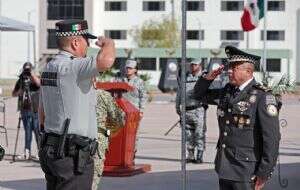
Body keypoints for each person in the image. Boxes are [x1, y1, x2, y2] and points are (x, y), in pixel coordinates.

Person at [38, 19, 115, 190]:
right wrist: (109, 42)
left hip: (52, 149)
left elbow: (41, 112)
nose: (88, 45)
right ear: (75, 42)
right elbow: (106, 60)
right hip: (72, 155)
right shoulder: (74, 66)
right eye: (86, 40)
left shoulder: (49, 67)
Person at [194, 46, 280, 190]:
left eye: (234, 67)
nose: (229, 71)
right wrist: (207, 79)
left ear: (248, 71)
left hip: (246, 170)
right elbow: (198, 96)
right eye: (229, 66)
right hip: (224, 166)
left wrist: (264, 172)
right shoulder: (227, 92)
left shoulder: (262, 96)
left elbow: (271, 138)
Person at [175, 59, 208, 164]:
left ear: (200, 66)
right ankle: (190, 155)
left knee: (199, 133)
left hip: (198, 110)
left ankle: (199, 155)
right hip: (186, 111)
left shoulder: (204, 78)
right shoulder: (185, 78)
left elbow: (209, 93)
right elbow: (180, 92)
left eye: (195, 65)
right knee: (188, 135)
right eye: (192, 65)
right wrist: (177, 107)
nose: (193, 67)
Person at [92, 89, 125, 190]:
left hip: (69, 141)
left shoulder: (71, 93)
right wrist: (109, 130)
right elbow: (119, 119)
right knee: (92, 179)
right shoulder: (102, 95)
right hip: (96, 142)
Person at [12, 62, 41, 159]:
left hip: (36, 109)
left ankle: (40, 152)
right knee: (27, 131)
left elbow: (39, 84)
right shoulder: (21, 80)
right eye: (26, 70)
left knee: (37, 131)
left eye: (29, 69)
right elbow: (14, 93)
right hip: (25, 109)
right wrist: (20, 90)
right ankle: (27, 151)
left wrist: (31, 74)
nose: (27, 72)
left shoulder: (34, 79)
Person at [122, 59, 147, 155]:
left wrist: (141, 110)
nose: (128, 70)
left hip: (134, 112)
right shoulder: (120, 80)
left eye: (130, 68)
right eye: (127, 68)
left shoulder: (139, 82)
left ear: (135, 70)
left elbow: (144, 96)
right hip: (121, 111)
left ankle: (132, 154)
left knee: (133, 134)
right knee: (121, 134)